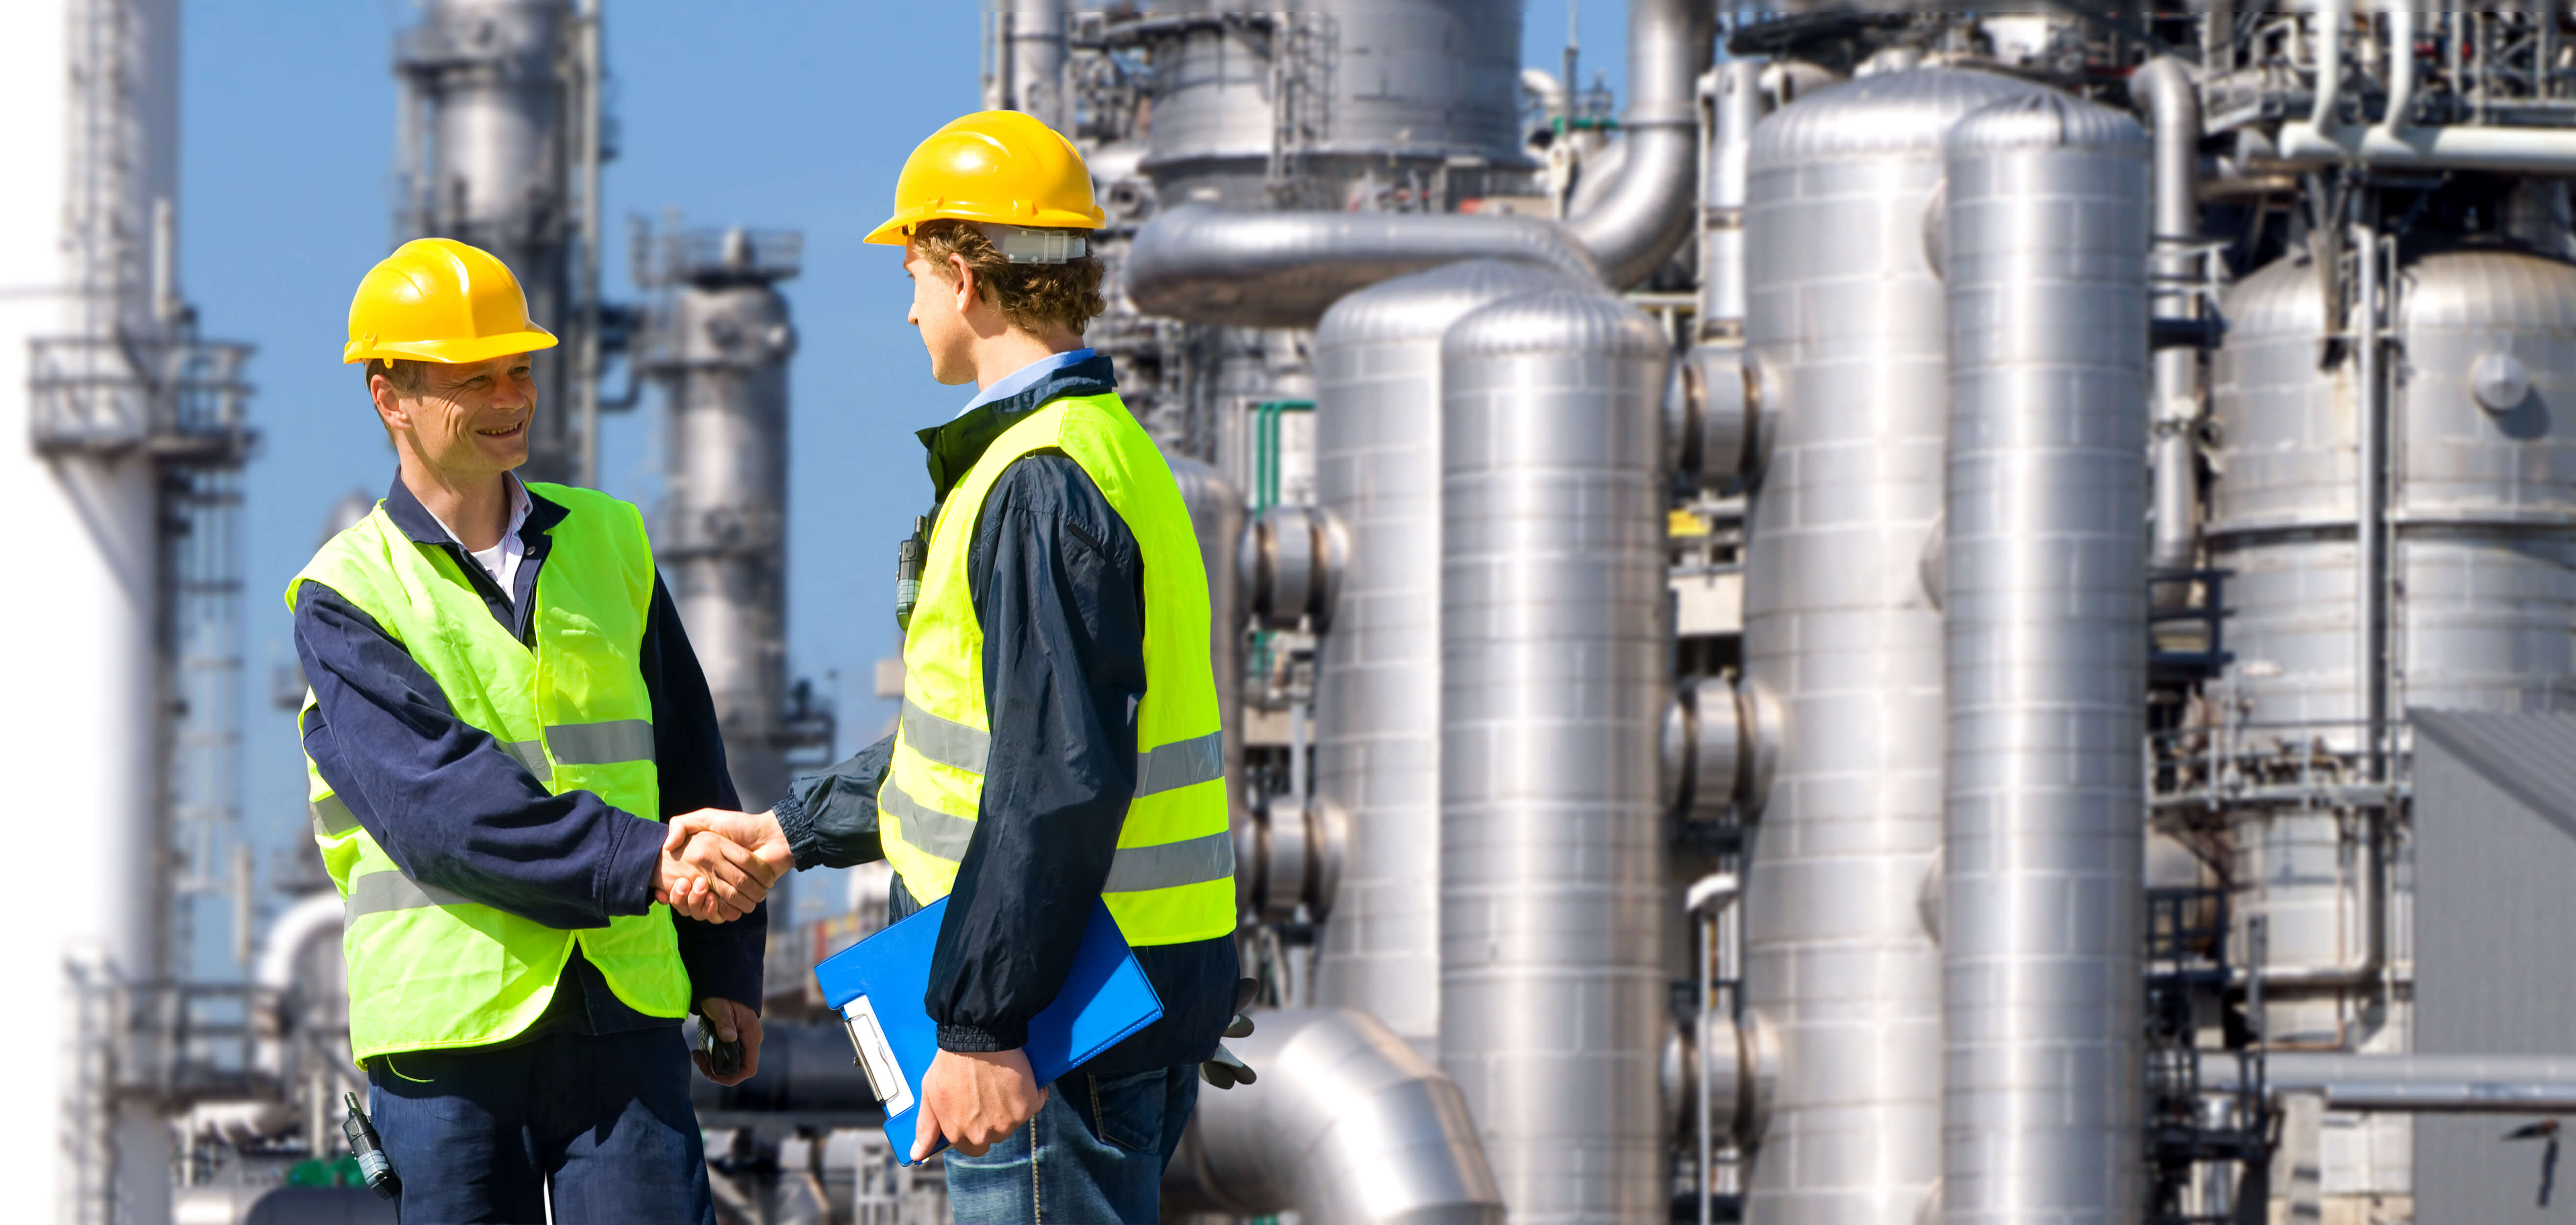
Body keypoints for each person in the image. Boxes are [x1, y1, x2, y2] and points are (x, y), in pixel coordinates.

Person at [664, 111, 1241, 1223]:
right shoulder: (1105, 451)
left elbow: (1056, 774)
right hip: (1105, 989)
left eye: (917, 273)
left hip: (1059, 1018)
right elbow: (974, 746)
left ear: (969, 279)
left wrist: (983, 1025)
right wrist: (788, 831)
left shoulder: (1036, 482)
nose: (911, 304)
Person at [290, 237, 784, 1225]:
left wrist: (727, 962)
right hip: (450, 1032)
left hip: (625, 1005)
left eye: (520, 370)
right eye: (479, 379)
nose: (513, 398)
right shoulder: (346, 594)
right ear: (393, 396)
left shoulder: (611, 538)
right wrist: (654, 863)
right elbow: (443, 808)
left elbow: (691, 755)